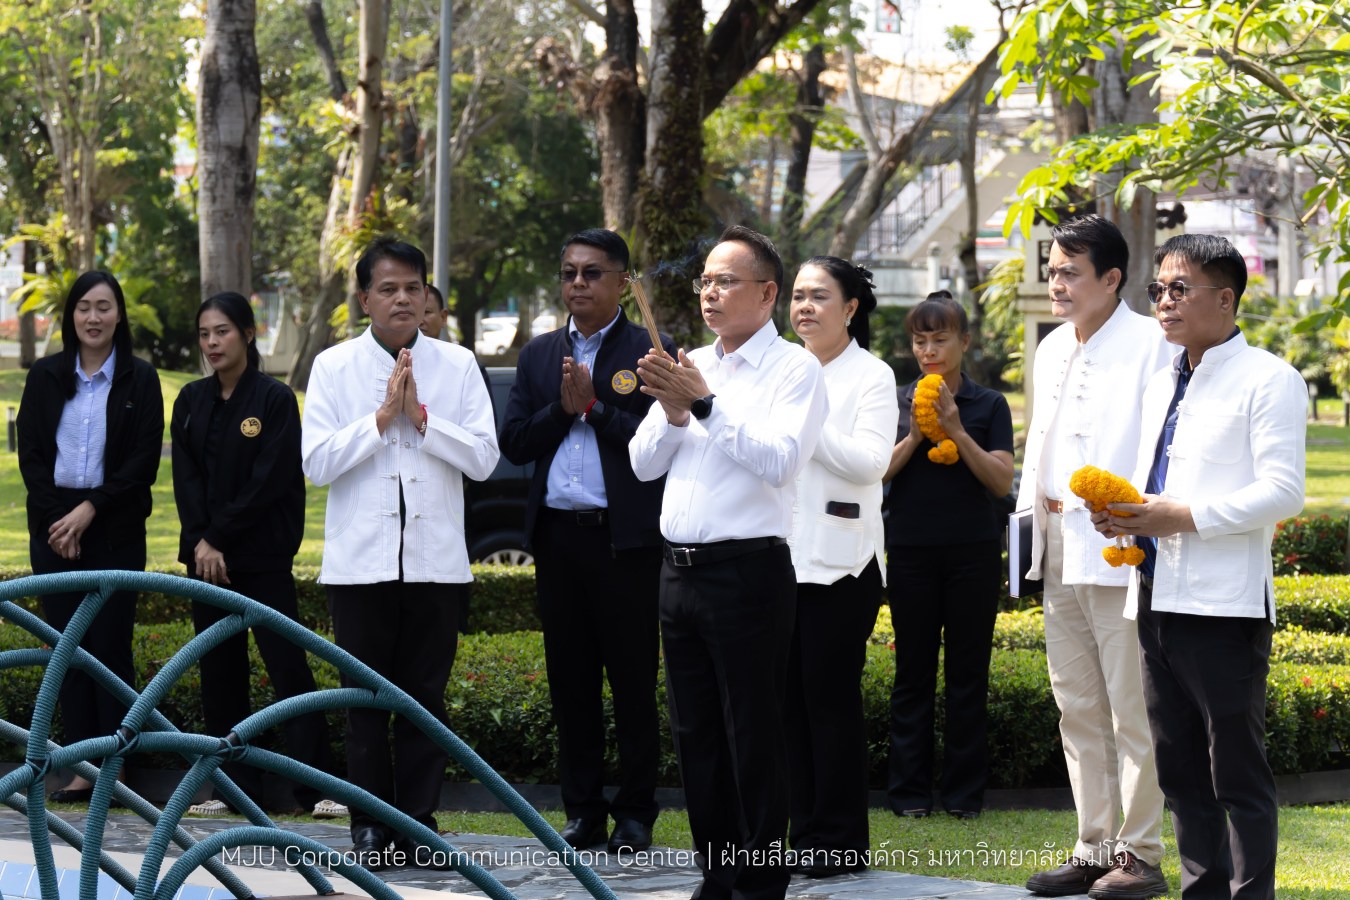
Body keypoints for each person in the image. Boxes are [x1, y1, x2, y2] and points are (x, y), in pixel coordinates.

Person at [1096, 234, 1305, 900]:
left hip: (1224, 609)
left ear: (1226, 297)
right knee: (1180, 770)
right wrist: (1125, 514)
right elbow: (1150, 478)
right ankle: (1202, 889)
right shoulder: (1163, 380)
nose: (1164, 302)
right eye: (1158, 289)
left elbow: (1283, 491)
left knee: (1234, 774)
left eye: (1179, 289)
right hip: (1155, 595)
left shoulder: (1269, 378)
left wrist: (1178, 516)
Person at [630, 225, 827, 900]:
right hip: (676, 574)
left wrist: (704, 405)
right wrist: (674, 409)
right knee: (696, 735)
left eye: (725, 281)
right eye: (705, 281)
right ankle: (718, 874)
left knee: (752, 733)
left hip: (747, 574)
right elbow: (640, 462)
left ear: (767, 293)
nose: (710, 293)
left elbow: (778, 463)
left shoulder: (796, 369)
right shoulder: (694, 363)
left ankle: (760, 881)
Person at [301, 237, 499, 869]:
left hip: (436, 562)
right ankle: (368, 823)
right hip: (360, 563)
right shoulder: (333, 367)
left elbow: (485, 459)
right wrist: (381, 418)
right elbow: (316, 463)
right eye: (388, 288)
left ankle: (418, 820)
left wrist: (422, 420)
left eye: (413, 287)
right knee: (362, 701)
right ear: (365, 299)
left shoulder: (459, 364)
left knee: (424, 697)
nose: (403, 298)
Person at [500, 229, 674, 854]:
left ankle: (635, 814)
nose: (578, 284)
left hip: (623, 543)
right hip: (558, 541)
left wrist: (595, 409)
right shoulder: (541, 354)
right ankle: (583, 812)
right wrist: (562, 411)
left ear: (622, 282)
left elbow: (658, 446)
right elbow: (515, 441)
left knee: (631, 682)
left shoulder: (651, 350)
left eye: (592, 273)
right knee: (570, 682)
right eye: (569, 272)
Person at [1016, 215, 1171, 899]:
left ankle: (1140, 855)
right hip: (1055, 546)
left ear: (1112, 279)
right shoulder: (1051, 347)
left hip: (1117, 547)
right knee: (1075, 704)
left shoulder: (1151, 343)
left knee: (1129, 708)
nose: (1057, 282)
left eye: (1070, 271)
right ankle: (1093, 846)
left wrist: (1142, 529)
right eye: (1052, 269)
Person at [171, 292, 341, 818]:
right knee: (220, 675)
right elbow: (186, 480)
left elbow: (269, 481)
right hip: (206, 562)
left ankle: (318, 787)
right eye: (204, 334)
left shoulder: (273, 399)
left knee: (288, 667)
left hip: (261, 556)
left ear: (247, 334)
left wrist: (219, 535)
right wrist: (203, 540)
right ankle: (230, 789)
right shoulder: (190, 401)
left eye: (222, 331)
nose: (212, 343)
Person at [17, 271, 163, 802]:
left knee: (109, 649)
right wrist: (62, 520)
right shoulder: (45, 376)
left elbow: (142, 463)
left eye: (104, 307)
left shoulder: (140, 379)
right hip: (54, 531)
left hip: (114, 531)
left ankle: (116, 766)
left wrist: (89, 511)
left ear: (119, 314)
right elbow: (31, 456)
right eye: (84, 307)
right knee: (66, 650)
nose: (93, 318)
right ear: (71, 315)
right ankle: (81, 764)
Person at [781, 256, 897, 876]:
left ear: (850, 308)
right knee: (787, 707)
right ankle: (804, 833)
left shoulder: (871, 376)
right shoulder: (778, 368)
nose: (804, 307)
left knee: (829, 702)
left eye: (818, 296)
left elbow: (869, 463)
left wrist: (807, 415)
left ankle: (841, 840)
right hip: (777, 562)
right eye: (797, 296)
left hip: (841, 567)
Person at [883, 291, 1013, 821]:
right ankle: (909, 794)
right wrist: (915, 435)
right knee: (911, 675)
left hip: (973, 553)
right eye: (920, 340)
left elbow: (1003, 480)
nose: (929, 350)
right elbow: (878, 473)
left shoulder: (988, 405)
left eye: (940, 339)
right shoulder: (896, 399)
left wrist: (957, 429)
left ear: (964, 341)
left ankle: (964, 796)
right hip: (910, 552)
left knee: (967, 675)